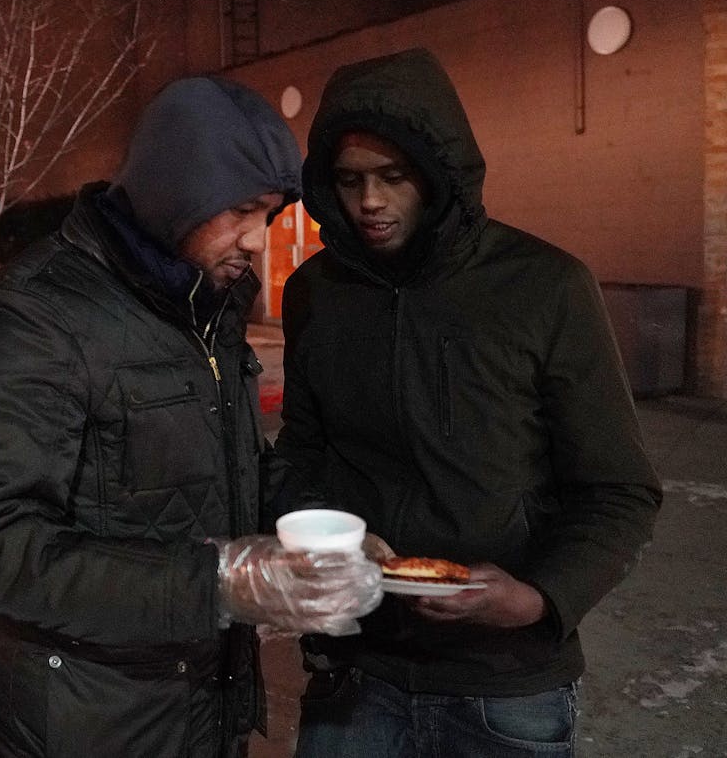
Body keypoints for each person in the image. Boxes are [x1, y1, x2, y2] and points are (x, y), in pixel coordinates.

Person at [0, 76, 384, 758]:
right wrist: (220, 582)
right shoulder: (32, 318)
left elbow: (224, 472)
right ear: (177, 193)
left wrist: (315, 530)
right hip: (88, 723)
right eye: (242, 209)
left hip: (205, 708)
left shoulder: (210, 301)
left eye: (269, 213)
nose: (259, 239)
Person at [272, 47, 663, 757]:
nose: (369, 202)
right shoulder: (315, 295)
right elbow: (302, 450)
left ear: (439, 172)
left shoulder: (546, 288)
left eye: (394, 177)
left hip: (505, 684)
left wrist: (540, 596)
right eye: (350, 179)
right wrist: (317, 537)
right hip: (357, 670)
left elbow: (620, 489)